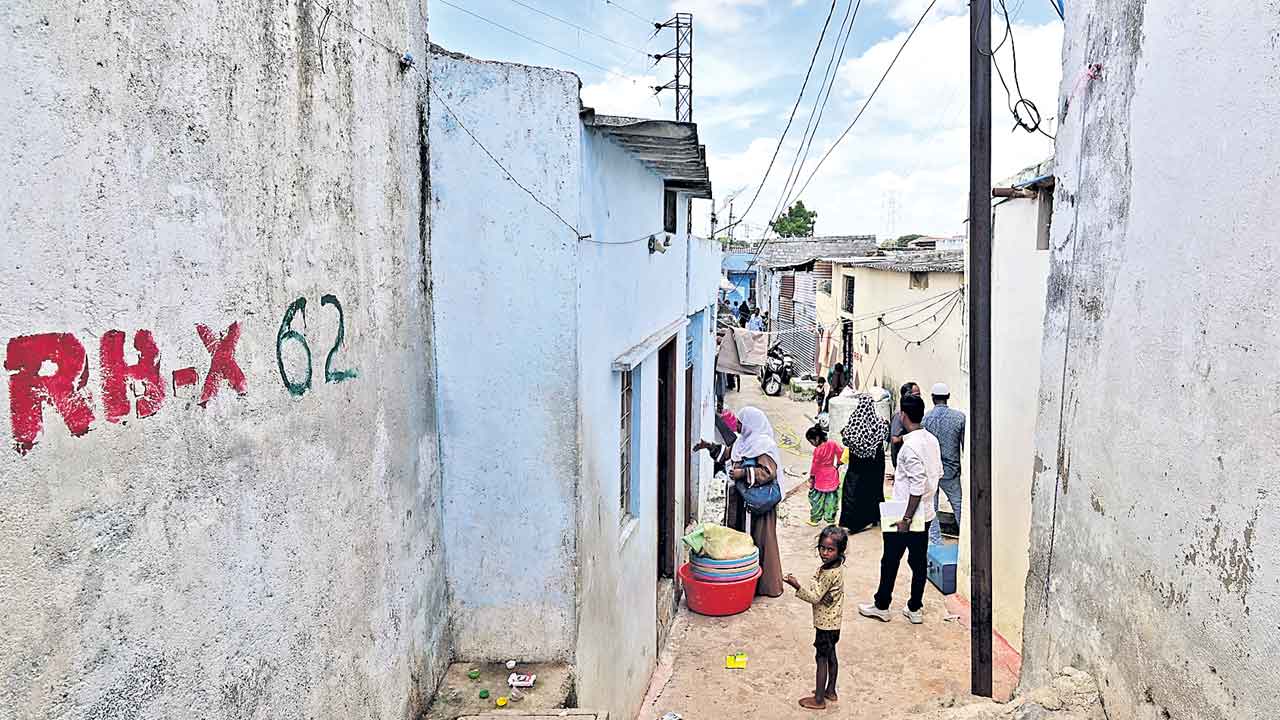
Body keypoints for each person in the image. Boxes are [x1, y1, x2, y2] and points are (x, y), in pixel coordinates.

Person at [857, 394, 941, 624]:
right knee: (918, 562)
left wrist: (905, 518)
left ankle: (882, 605)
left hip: (905, 512)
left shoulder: (908, 446)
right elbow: (935, 474)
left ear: (903, 415)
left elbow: (916, 486)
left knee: (890, 561)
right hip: (926, 511)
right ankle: (915, 607)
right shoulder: (931, 440)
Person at [694, 407, 784, 597]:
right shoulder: (743, 442)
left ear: (752, 424)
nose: (738, 426)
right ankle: (744, 583)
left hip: (758, 506)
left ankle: (764, 586)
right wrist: (709, 446)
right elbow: (728, 454)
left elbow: (768, 472)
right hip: (742, 504)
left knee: (761, 541)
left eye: (741, 423)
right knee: (741, 540)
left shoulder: (763, 445)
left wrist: (743, 473)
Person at [784, 525, 847, 711]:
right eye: (822, 548)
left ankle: (819, 699)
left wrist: (796, 585)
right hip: (834, 623)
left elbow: (814, 596)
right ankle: (830, 691)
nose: (825, 553)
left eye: (830, 549)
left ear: (839, 551)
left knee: (821, 659)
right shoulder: (835, 567)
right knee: (831, 656)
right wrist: (818, 588)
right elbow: (819, 588)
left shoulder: (828, 573)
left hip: (825, 625)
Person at [922, 382, 966, 546]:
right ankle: (967, 539)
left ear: (933, 398)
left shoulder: (925, 418)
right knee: (958, 504)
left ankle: (935, 542)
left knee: (931, 507)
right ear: (948, 397)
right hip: (951, 470)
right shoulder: (959, 418)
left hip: (931, 470)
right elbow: (964, 446)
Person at [839, 392, 887, 533]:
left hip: (857, 465)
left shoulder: (854, 421)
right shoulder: (879, 423)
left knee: (852, 492)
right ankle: (873, 517)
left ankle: (853, 523)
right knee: (873, 489)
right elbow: (884, 435)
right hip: (875, 464)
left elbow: (846, 438)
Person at [805, 426, 842, 527]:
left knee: (817, 499)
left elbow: (815, 465)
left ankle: (815, 519)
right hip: (832, 474)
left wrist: (811, 477)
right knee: (831, 499)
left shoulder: (818, 450)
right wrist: (838, 463)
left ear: (816, 438)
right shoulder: (832, 444)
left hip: (820, 477)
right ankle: (830, 519)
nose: (811, 444)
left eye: (811, 441)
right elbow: (840, 452)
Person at [888, 382, 921, 468]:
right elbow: (895, 440)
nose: (919, 398)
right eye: (916, 395)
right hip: (904, 464)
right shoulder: (899, 417)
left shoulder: (915, 413)